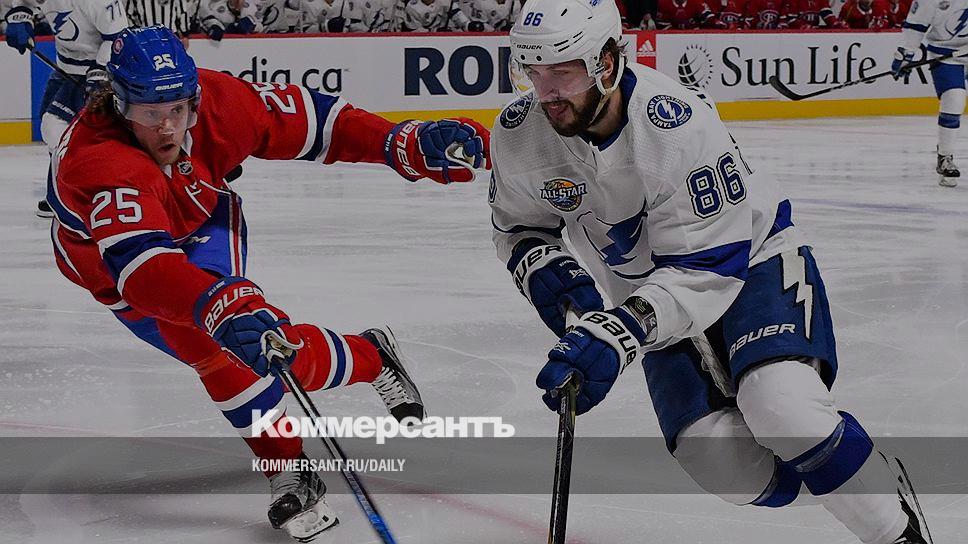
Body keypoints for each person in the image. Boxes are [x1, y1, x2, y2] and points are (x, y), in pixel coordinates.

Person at [490, 0, 932, 542]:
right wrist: (548, 272)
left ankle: (893, 528)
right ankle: (847, 471)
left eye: (563, 71)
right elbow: (519, 226)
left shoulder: (675, 125)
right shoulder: (520, 132)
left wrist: (618, 333)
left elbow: (708, 266)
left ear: (606, 61)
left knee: (783, 408)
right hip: (649, 298)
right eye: (533, 72)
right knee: (721, 463)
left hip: (749, 261)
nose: (547, 92)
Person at [49, 25, 489, 541]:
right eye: (150, 114)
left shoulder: (220, 102)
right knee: (224, 346)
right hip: (118, 271)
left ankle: (291, 464)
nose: (168, 127)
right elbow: (143, 270)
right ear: (120, 104)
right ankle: (370, 356)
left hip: (197, 222)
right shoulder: (100, 161)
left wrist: (398, 142)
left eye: (179, 109)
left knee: (224, 351)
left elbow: (315, 122)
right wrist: (218, 304)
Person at [3, 0, 129, 218]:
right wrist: (20, 17)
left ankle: (90, 193)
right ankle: (61, 193)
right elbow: (26, 3)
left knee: (59, 128)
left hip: (99, 72)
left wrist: (101, 70)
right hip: (64, 68)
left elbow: (118, 38)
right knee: (53, 132)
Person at [893, 0, 966, 187]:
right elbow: (916, 24)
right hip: (945, 53)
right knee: (954, 99)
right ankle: (945, 157)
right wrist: (906, 53)